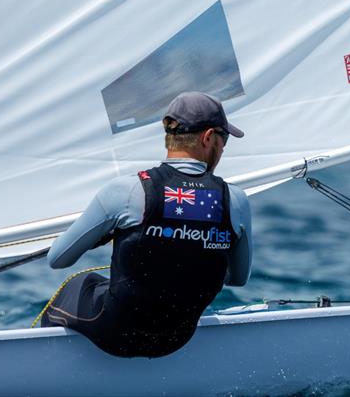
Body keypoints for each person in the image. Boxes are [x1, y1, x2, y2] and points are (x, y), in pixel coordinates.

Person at [41, 91, 251, 358]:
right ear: (208, 137)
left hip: (115, 336)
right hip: (176, 340)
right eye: (225, 140)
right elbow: (238, 278)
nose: (223, 149)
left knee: (82, 282)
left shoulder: (126, 191)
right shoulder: (235, 200)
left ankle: (50, 370)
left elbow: (57, 259)